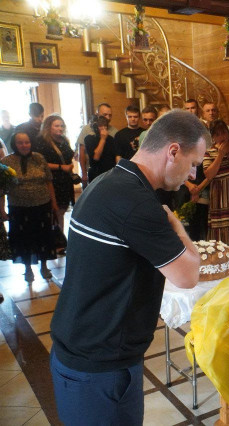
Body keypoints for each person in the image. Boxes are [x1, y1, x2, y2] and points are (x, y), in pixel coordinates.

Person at [49, 110, 209, 425]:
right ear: (173, 151)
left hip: (80, 348)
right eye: (193, 163)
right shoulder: (137, 203)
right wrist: (176, 225)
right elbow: (188, 275)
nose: (193, 174)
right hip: (100, 366)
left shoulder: (107, 181)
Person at [1, 132, 57, 281]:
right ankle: (27, 269)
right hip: (19, 207)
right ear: (14, 144)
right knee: (23, 239)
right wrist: (1, 209)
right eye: (20, 143)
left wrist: (54, 203)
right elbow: (2, 188)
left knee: (43, 237)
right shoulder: (6, 161)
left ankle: (44, 266)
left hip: (42, 205)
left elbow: (49, 181)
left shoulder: (39, 158)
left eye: (27, 142)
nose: (24, 145)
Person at [190, 120, 229, 248]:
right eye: (217, 134)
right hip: (220, 198)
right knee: (221, 234)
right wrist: (220, 155)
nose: (222, 137)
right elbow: (209, 175)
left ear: (228, 133)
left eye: (224, 133)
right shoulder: (209, 152)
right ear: (213, 137)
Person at [34, 114, 75, 234]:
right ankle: (55, 238)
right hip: (51, 181)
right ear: (48, 127)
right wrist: (61, 167)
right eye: (56, 126)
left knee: (62, 210)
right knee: (54, 211)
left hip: (65, 181)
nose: (60, 128)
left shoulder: (64, 140)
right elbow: (39, 163)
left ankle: (60, 237)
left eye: (62, 126)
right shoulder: (41, 142)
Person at [76, 103, 117, 187]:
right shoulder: (87, 129)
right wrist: (84, 173)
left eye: (110, 115)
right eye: (105, 115)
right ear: (97, 114)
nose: (107, 118)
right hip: (93, 171)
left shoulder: (114, 131)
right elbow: (82, 152)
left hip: (109, 172)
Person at [85, 116, 117, 182]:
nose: (103, 128)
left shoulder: (111, 139)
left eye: (105, 125)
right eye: (100, 126)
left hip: (110, 174)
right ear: (95, 127)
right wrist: (103, 139)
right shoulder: (89, 139)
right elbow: (96, 157)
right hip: (96, 174)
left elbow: (115, 157)